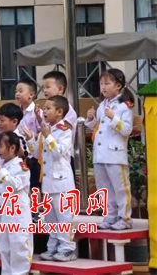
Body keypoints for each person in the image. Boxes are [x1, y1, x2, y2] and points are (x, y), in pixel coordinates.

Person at [25, 95, 77, 262]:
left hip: (62, 182)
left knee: (64, 217)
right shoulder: (46, 130)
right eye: (44, 108)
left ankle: (67, 248)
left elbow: (58, 152)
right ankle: (52, 247)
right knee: (50, 218)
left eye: (48, 108)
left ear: (59, 112)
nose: (44, 111)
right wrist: (30, 139)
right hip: (48, 182)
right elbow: (36, 154)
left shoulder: (64, 130)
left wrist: (47, 136)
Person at [85, 68, 134, 230]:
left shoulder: (124, 106)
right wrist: (91, 119)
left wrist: (114, 118)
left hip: (115, 154)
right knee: (104, 188)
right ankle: (110, 216)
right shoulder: (102, 105)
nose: (103, 87)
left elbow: (127, 129)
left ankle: (125, 218)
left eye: (107, 83)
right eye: (101, 83)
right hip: (100, 154)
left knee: (120, 188)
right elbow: (98, 127)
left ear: (118, 86)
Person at [0, 132, 33, 275]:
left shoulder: (21, 166)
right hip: (4, 214)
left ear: (12, 148)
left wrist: (0, 172)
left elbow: (15, 184)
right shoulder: (3, 166)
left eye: (1, 146)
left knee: (19, 247)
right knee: (5, 248)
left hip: (17, 215)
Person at [41, 71, 79, 144]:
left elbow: (65, 134)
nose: (45, 90)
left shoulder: (69, 111)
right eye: (43, 88)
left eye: (48, 87)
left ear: (60, 89)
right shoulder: (45, 110)